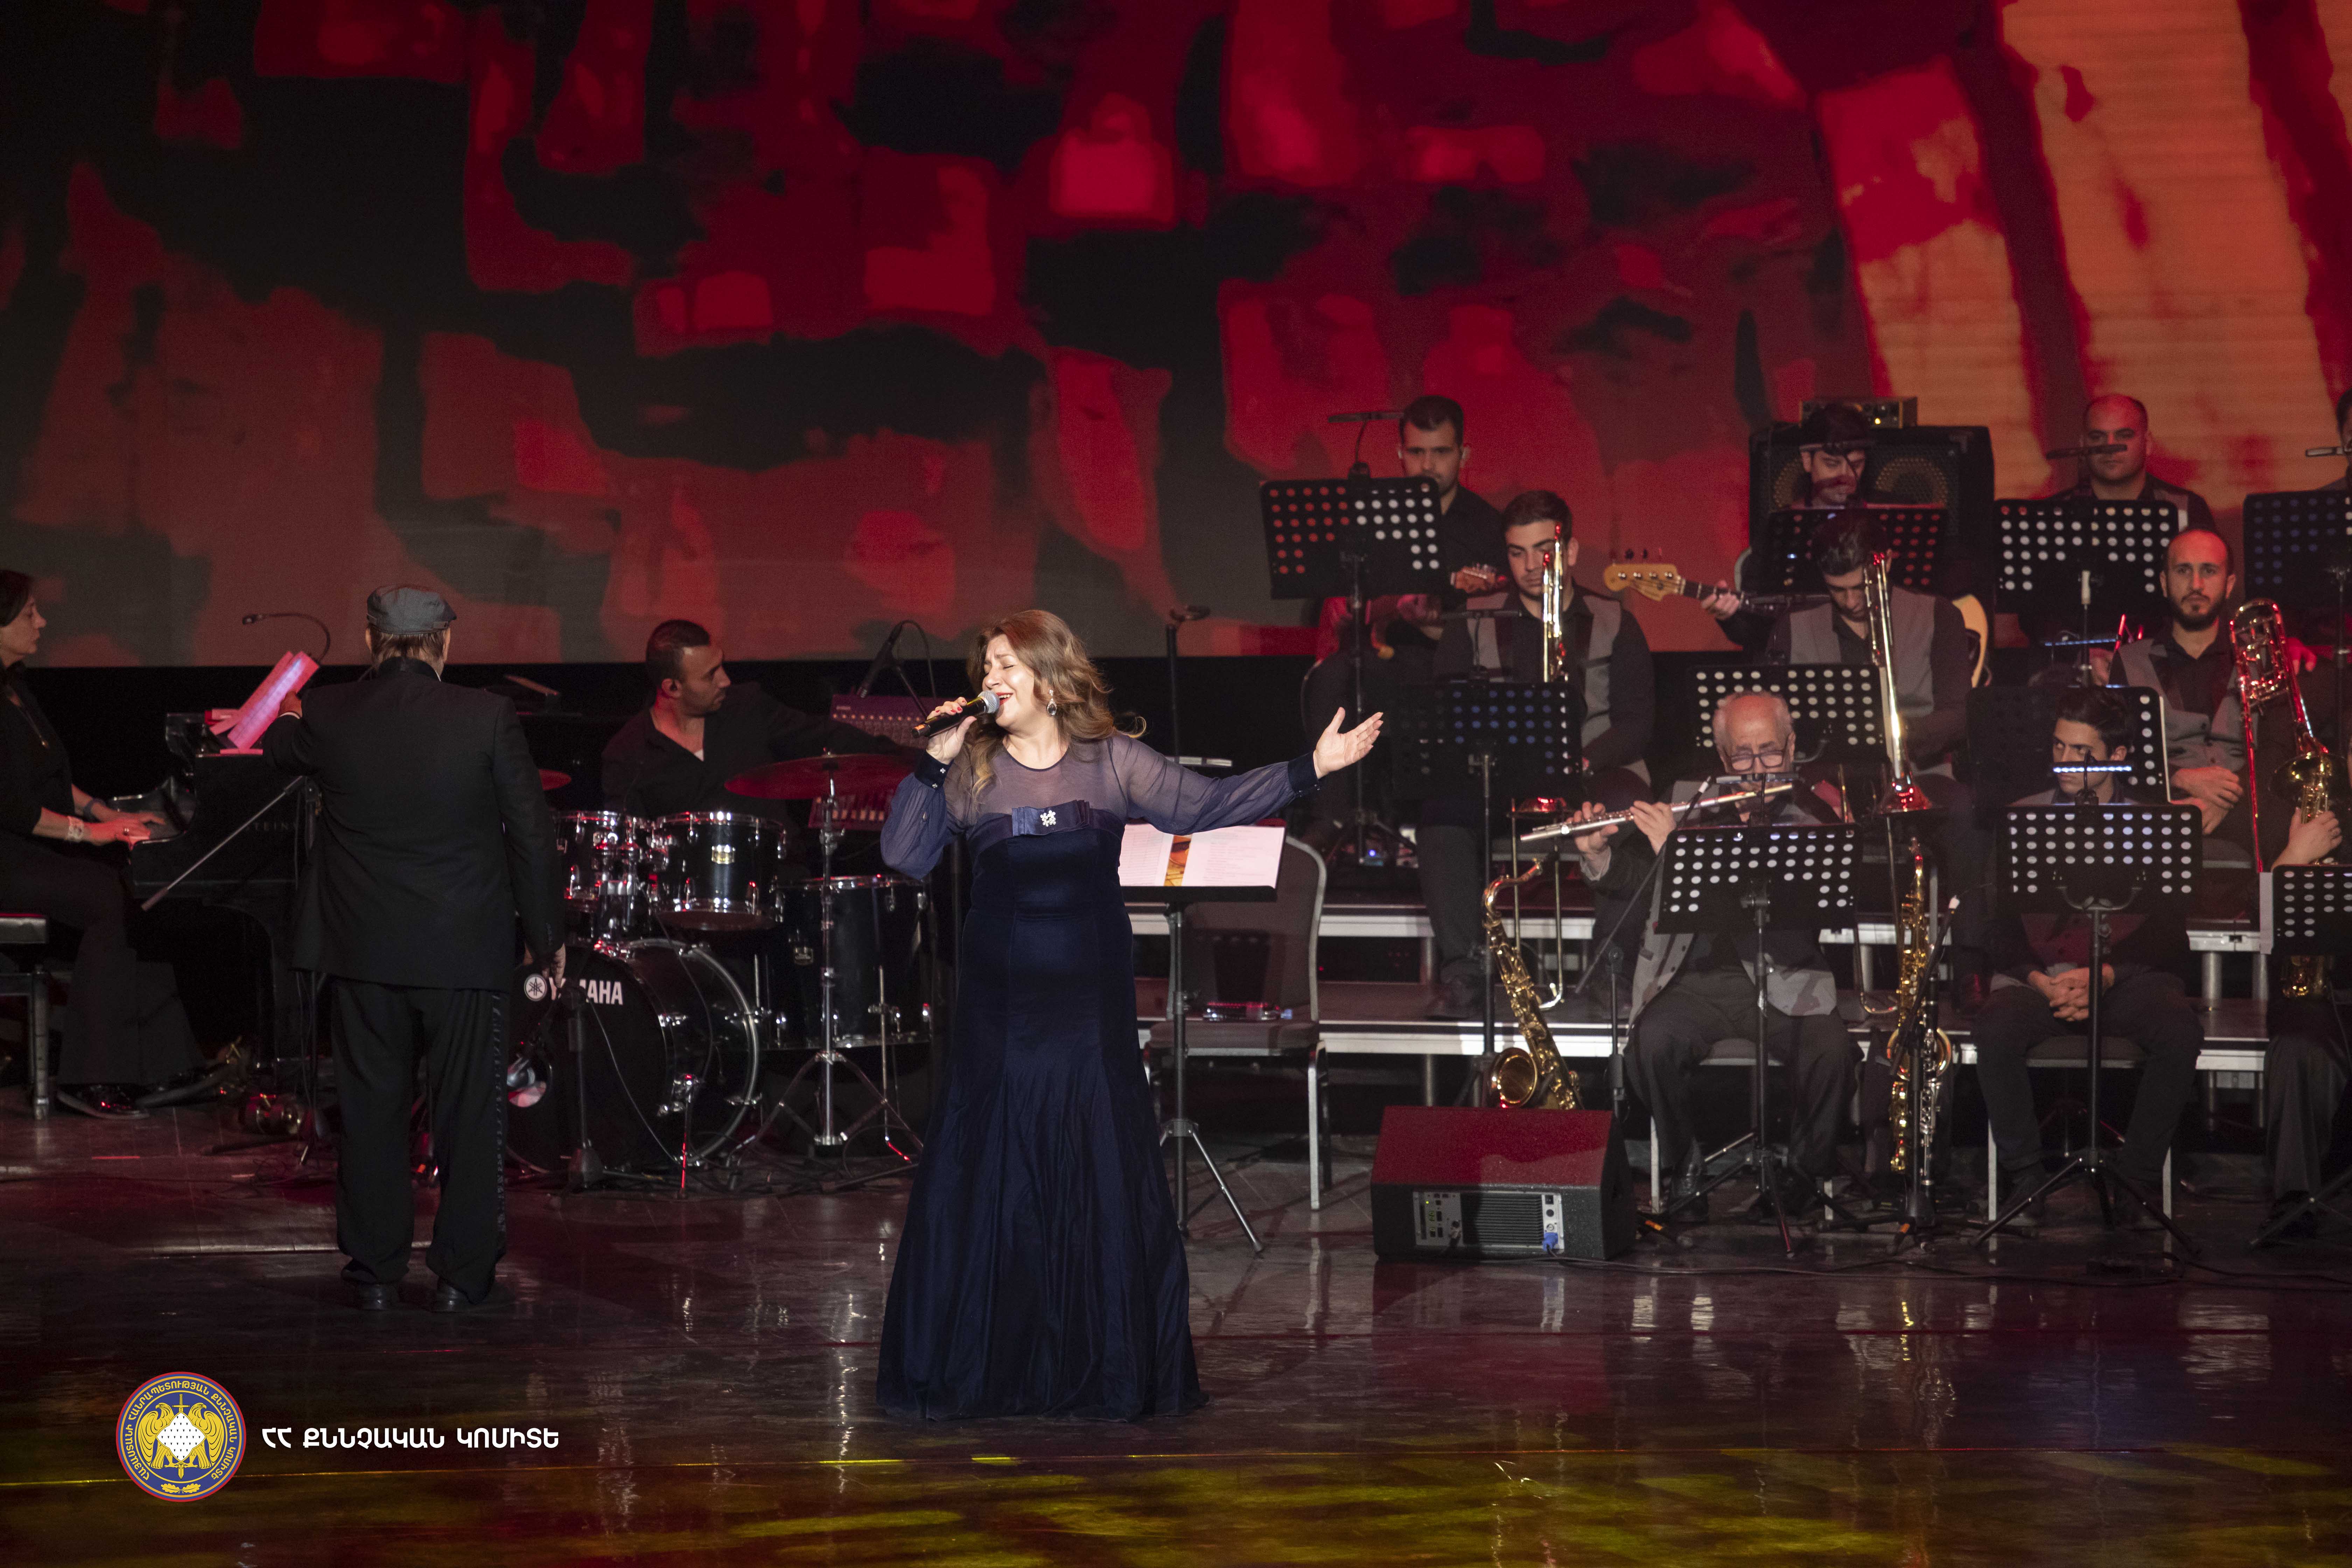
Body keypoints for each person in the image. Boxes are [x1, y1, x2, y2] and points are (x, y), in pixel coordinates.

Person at [875, 609, 1380, 1418]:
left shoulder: (1110, 760)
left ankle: (1102, 1360)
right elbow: (904, 855)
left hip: (1088, 1001)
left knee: (1095, 1154)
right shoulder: (971, 769)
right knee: (995, 1159)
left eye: (1006, 664)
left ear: (1050, 677)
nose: (990, 679)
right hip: (1003, 1010)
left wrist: (1310, 767)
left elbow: (1206, 805)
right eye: (986, 666)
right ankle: (987, 1362)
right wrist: (930, 765)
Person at [261, 587, 563, 1312]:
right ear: (445, 643)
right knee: (469, 1115)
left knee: (370, 1113)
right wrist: (546, 939)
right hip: (463, 950)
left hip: (363, 949)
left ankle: (375, 1272)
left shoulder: (329, 712)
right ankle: (462, 1276)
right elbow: (531, 833)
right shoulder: (486, 716)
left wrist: (292, 708)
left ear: (372, 641)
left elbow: (274, 747)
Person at [1563, 691, 1851, 1223]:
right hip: (1693, 983)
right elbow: (1638, 880)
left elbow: (1794, 909)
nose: (1758, 768)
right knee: (1649, 1044)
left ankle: (1803, 1175)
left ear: (1791, 749)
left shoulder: (1810, 814)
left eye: (1770, 752)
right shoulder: (1688, 803)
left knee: (1832, 1050)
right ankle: (1685, 1165)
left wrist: (1678, 851)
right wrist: (1599, 855)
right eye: (1743, 755)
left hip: (1783, 977)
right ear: (1722, 757)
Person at [1973, 686, 2210, 1230]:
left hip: (2121, 978)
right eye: (2059, 747)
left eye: (2082, 752)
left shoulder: (2153, 823)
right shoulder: (2022, 817)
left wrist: (2103, 975)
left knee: (2179, 1031)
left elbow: (2168, 935)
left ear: (2118, 756)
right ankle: (2026, 1178)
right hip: (2043, 980)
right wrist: (2041, 980)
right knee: (1994, 1029)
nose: (2065, 762)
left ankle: (2138, 1179)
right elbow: (1996, 928)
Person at [1420, 490, 1652, 1014]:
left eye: (1544, 551)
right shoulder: (1472, 618)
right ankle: (1465, 973)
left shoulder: (1613, 619)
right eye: (1517, 552)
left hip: (1593, 772)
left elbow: (1637, 722)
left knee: (1634, 814)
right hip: (1501, 776)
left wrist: (1583, 761)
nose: (1530, 566)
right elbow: (1445, 712)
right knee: (1441, 820)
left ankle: (1613, 973)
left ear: (1570, 551)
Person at [0, 571, 197, 1116]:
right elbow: (11, 806)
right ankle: (92, 1076)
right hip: (7, 854)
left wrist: (108, 814)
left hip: (28, 847)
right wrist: (88, 834)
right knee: (104, 895)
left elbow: (52, 781)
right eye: (29, 614)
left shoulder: (15, 689)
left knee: (137, 889)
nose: (42, 622)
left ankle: (166, 1064)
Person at [1298, 394, 1504, 846]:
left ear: (1464, 454)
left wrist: (1441, 621)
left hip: (1457, 662)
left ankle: (1439, 828)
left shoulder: (1486, 526)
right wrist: (1393, 607)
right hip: (1387, 658)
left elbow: (1501, 617)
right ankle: (1332, 817)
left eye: (1441, 452)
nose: (1428, 464)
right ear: (1400, 454)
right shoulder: (1373, 519)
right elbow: (1344, 608)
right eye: (1417, 452)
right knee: (1333, 677)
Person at [601, 619, 906, 831]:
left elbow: (824, 737)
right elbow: (629, 848)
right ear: (672, 688)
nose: (726, 681)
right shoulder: (628, 753)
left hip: (777, 880)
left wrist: (909, 760)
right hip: (690, 898)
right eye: (710, 675)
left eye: (721, 665)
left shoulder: (746, 707)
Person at [2104, 530, 2247, 842]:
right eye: (2183, 571)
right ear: (2165, 582)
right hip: (2162, 812)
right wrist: (2178, 778)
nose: (2196, 585)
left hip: (2250, 811)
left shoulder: (2260, 655)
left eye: (2209, 571)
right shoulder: (2130, 660)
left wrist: (2225, 799)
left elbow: (2279, 751)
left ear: (2229, 585)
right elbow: (2117, 754)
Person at [2255, 802, 2350, 1238]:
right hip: (2325, 998)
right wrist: (2292, 858)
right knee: (2296, 1047)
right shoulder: (2317, 818)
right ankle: (2296, 1199)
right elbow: (2264, 928)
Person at [2050, 394, 2218, 535]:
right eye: (2097, 437)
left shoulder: (2187, 508)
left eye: (2124, 435)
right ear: (2083, 445)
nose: (2110, 447)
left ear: (2148, 444)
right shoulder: (2052, 512)